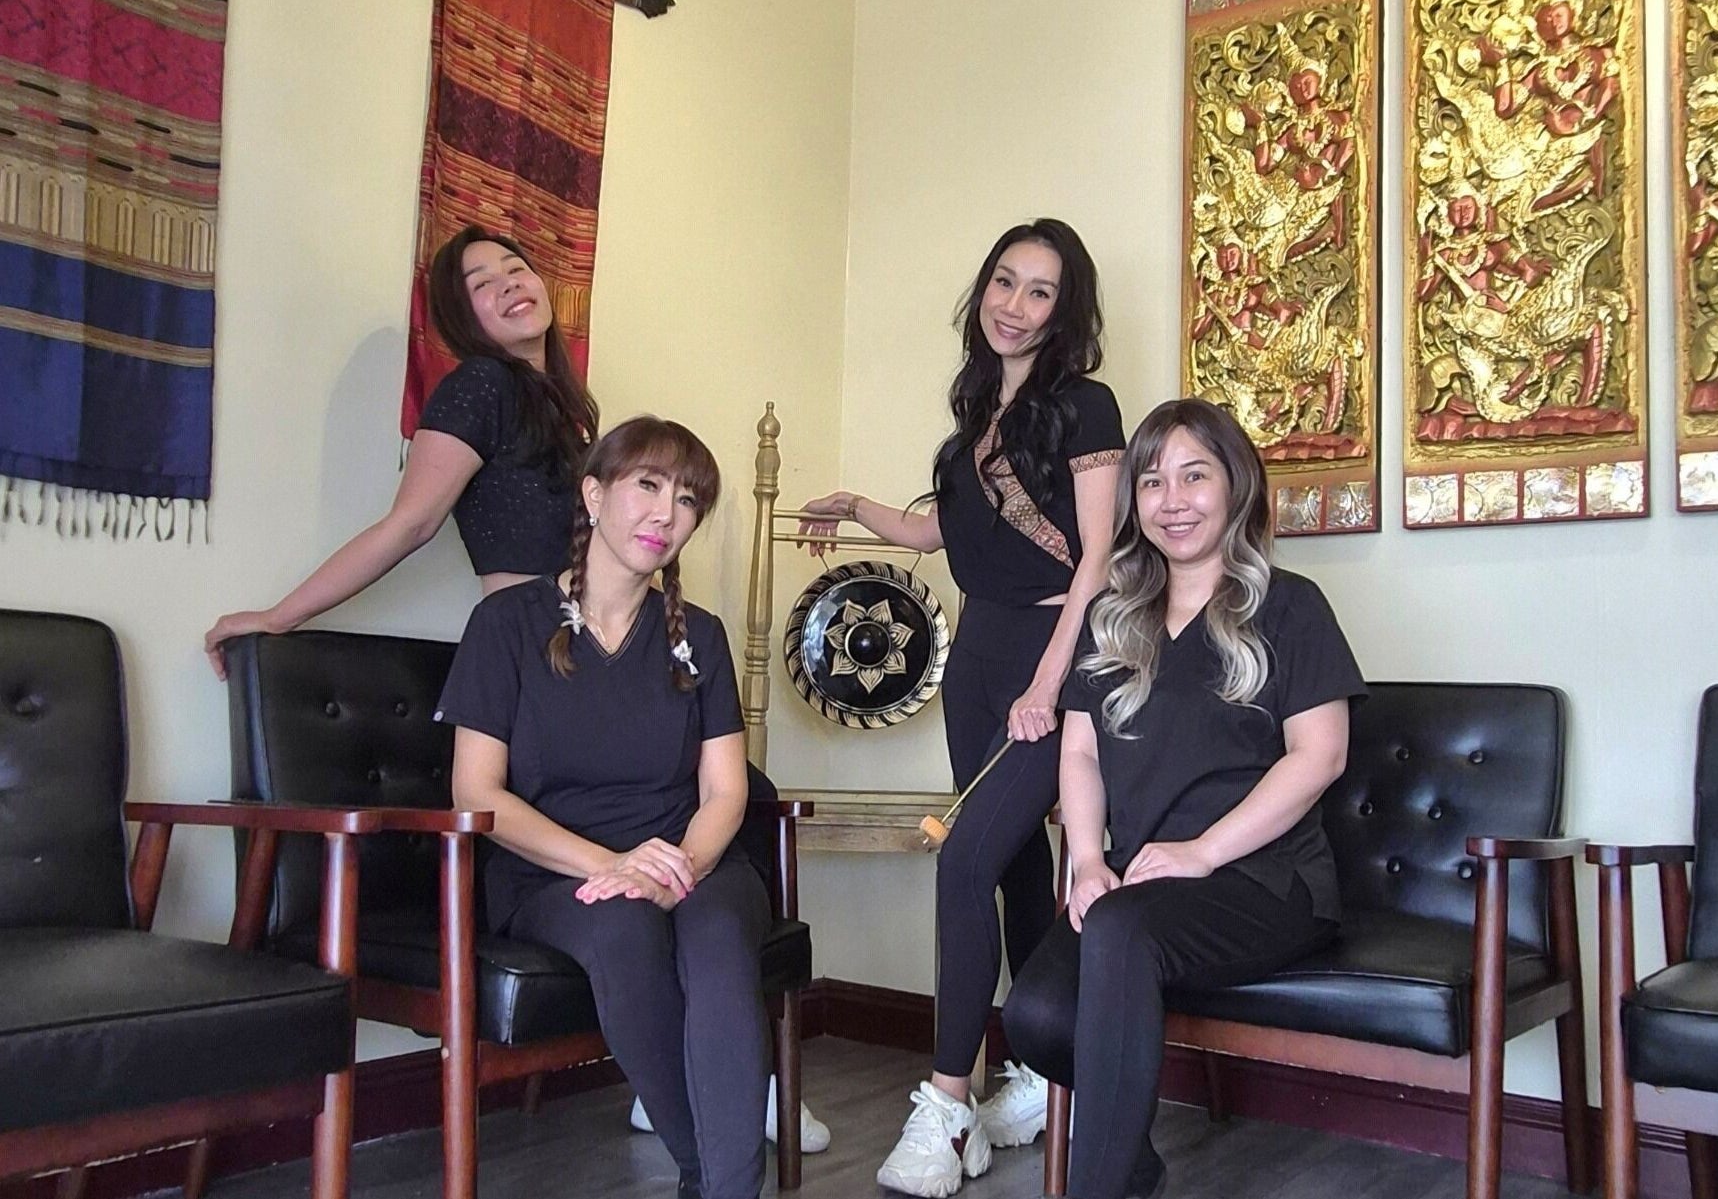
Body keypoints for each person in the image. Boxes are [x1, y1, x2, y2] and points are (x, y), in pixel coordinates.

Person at [801, 219, 1124, 1196]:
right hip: (976, 657)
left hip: (1048, 652)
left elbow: (1098, 557)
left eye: (1039, 291)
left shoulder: (1085, 406)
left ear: (1063, 312)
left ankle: (947, 1108)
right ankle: (1037, 1076)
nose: (1014, 305)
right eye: (1003, 281)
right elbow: (931, 534)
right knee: (1013, 863)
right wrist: (854, 506)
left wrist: (1050, 684)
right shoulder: (974, 421)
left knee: (962, 858)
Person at [1001, 398, 1365, 1199]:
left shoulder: (1291, 605)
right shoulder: (1111, 617)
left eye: (1194, 476)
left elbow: (1321, 754)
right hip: (1140, 884)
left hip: (1265, 881)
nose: (1173, 500)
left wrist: (1202, 852)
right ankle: (1131, 1169)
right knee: (1036, 1015)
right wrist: (1087, 862)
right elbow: (1080, 751)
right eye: (1153, 481)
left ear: (1235, 484)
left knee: (1122, 932)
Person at [436, 416, 768, 1199]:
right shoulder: (507, 624)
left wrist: (677, 867)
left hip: (692, 858)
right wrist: (613, 865)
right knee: (622, 925)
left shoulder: (702, 637)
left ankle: (728, 1189)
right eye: (648, 485)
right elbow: (475, 792)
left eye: (687, 499)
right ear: (593, 494)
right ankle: (709, 1173)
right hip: (554, 874)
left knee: (719, 938)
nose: (666, 514)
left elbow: (726, 791)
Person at [203, 224, 598, 678]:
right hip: (531, 648)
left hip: (584, 642)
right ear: (463, 317)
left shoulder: (562, 407)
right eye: (482, 284)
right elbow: (409, 524)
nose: (508, 284)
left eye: (516, 269)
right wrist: (279, 617)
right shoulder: (481, 385)